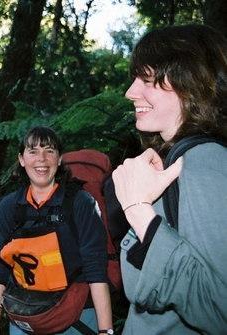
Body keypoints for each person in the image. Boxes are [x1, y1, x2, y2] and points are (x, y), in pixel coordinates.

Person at [112, 24, 227, 334]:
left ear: (190, 83)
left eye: (147, 80)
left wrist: (138, 211)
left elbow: (220, 308)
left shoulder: (204, 161)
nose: (130, 92)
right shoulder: (175, 159)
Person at [0, 126, 113, 335]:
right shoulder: (10, 207)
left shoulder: (80, 202)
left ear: (60, 158)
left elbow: (96, 267)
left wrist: (105, 330)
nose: (42, 159)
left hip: (77, 315)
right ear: (21, 159)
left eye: (49, 151)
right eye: (33, 151)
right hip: (25, 317)